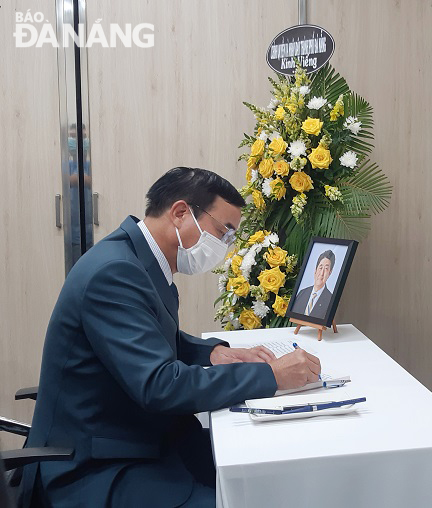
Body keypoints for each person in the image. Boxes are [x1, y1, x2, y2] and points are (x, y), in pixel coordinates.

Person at [20, 167, 321, 507]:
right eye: (223, 232)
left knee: (263, 474)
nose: (224, 247)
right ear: (180, 213)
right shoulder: (114, 273)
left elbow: (151, 336)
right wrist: (271, 375)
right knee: (242, 494)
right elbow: (159, 384)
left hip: (137, 437)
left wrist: (211, 353)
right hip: (97, 467)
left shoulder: (139, 261)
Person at [291, 250, 335, 319]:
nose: (322, 273)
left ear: (330, 273)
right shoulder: (302, 293)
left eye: (326, 269)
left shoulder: (331, 299)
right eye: (320, 268)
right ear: (315, 270)